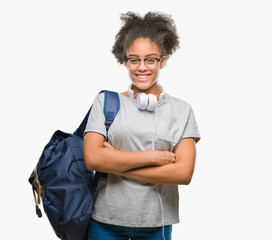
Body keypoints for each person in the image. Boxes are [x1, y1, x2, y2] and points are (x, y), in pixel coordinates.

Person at [84, 11, 200, 240]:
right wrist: (153, 158)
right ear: (125, 60)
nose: (142, 67)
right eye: (134, 59)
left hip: (157, 225)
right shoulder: (105, 102)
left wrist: (115, 162)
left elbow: (183, 173)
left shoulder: (182, 110)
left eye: (150, 59)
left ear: (162, 61)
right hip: (105, 222)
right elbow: (93, 159)